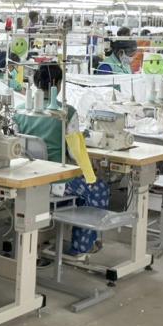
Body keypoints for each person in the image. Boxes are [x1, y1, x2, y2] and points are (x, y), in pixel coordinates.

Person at [13, 63, 109, 257]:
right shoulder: (66, 113)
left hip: (29, 179)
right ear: (57, 83)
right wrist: (92, 168)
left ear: (35, 82)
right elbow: (75, 153)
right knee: (98, 188)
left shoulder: (21, 110)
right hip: (57, 183)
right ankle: (82, 246)